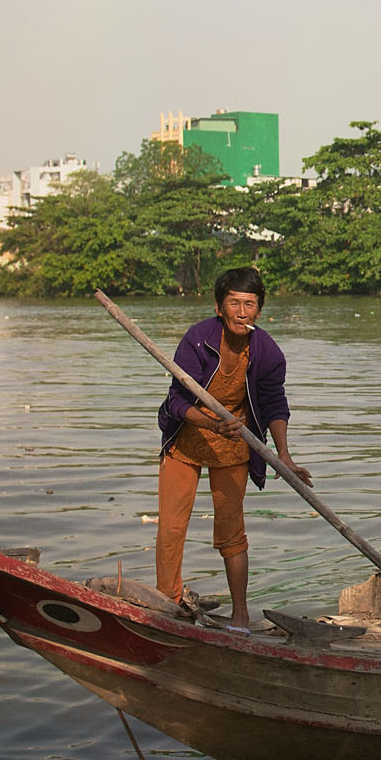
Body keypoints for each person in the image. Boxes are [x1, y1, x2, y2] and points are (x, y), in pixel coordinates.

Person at [155, 266, 309, 630]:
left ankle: (240, 616)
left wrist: (283, 454)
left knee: (231, 531)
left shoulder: (266, 351)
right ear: (219, 307)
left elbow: (274, 403)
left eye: (250, 304)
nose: (242, 312)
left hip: (234, 445)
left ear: (260, 309)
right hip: (187, 440)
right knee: (172, 527)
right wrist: (210, 423)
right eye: (234, 303)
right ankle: (167, 603)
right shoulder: (198, 339)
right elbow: (175, 401)